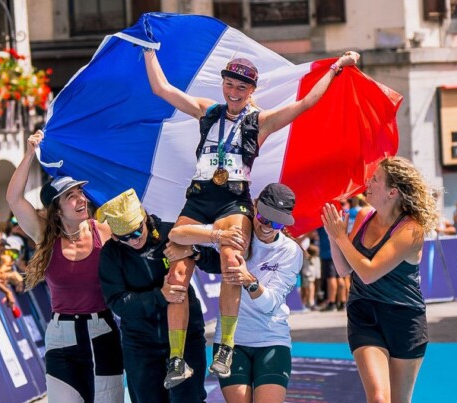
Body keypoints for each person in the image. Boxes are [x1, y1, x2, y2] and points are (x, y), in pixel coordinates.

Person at [143, 45, 360, 385]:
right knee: (177, 274)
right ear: (223, 84)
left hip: (233, 202)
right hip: (199, 199)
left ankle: (225, 348)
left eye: (241, 88)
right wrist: (149, 50)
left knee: (233, 263)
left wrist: (335, 69)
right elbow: (161, 89)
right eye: (229, 85)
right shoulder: (207, 111)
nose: (234, 92)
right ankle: (176, 358)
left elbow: (306, 103)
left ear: (251, 91)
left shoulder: (261, 121)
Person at [6, 130, 124, 403]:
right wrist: (29, 153)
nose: (81, 199)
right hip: (62, 336)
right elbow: (14, 198)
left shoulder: (104, 231)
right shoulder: (46, 235)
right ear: (57, 208)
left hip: (102, 331)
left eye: (81, 194)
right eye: (71, 196)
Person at [169, 183, 302, 403]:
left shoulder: (290, 252)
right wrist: (192, 247)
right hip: (232, 342)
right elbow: (186, 240)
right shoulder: (237, 231)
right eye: (264, 218)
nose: (267, 227)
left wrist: (250, 282)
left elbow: (271, 303)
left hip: (271, 339)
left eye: (277, 223)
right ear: (254, 208)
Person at [320, 156, 438, 403]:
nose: (367, 184)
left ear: (392, 192)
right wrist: (334, 238)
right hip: (364, 314)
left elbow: (369, 270)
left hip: (405, 319)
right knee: (378, 401)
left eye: (374, 180)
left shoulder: (412, 229)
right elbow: (346, 270)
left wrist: (341, 238)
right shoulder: (364, 217)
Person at [98, 188, 217, 403]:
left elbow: (212, 261)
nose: (134, 239)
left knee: (188, 402)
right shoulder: (111, 255)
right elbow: (117, 302)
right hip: (141, 343)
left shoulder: (170, 233)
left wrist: (197, 250)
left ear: (145, 219)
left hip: (185, 335)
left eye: (137, 231)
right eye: (125, 237)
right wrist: (158, 296)